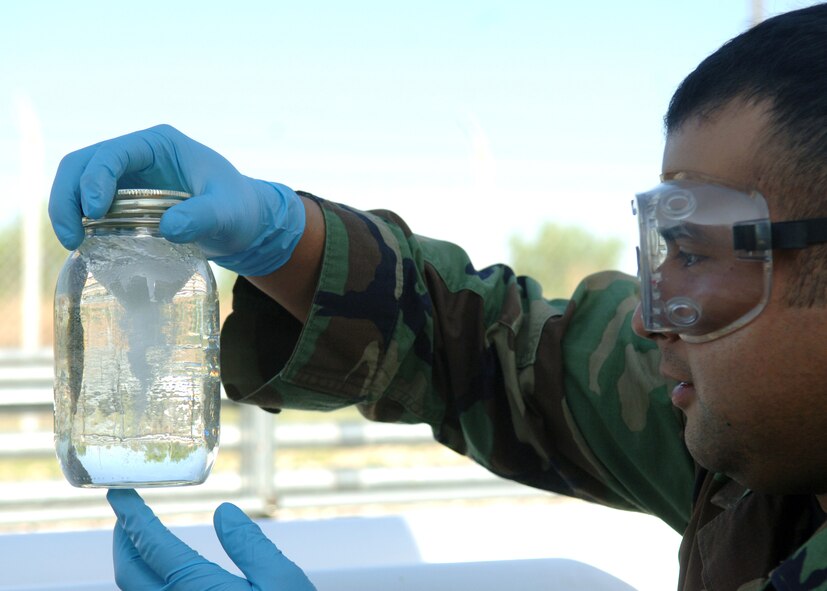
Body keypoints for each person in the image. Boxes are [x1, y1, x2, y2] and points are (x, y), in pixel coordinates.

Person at [48, 4, 827, 590]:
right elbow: (496, 351)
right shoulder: (753, 434)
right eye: (660, 254)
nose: (649, 318)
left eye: (694, 255)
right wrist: (287, 239)